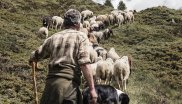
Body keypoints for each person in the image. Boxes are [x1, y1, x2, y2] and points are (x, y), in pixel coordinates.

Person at [29, 9, 97, 104]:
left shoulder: (53, 37)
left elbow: (36, 55)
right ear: (77, 23)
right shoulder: (81, 37)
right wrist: (92, 89)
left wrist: (32, 60)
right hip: (69, 88)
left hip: (50, 87)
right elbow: (84, 63)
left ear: (64, 23)